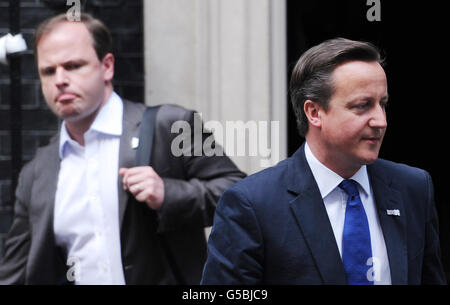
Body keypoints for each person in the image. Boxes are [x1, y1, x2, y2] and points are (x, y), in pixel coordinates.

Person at [0, 13, 245, 285]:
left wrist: (169, 193)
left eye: (73, 65)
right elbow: (15, 270)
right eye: (48, 70)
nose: (60, 79)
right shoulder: (37, 171)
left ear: (107, 67)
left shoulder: (171, 125)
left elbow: (238, 195)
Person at [201, 38, 446, 285]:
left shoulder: (413, 188)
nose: (380, 121)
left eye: (382, 104)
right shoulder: (252, 205)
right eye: (363, 106)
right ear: (314, 112)